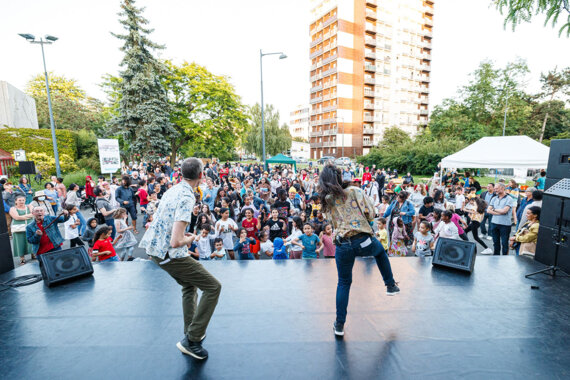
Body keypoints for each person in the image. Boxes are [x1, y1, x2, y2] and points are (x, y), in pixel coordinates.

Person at [139, 157, 221, 360]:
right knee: (213, 287)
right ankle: (192, 339)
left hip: (156, 250)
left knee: (189, 285)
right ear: (201, 175)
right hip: (169, 253)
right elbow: (176, 241)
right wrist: (191, 237)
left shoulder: (173, 189)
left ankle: (190, 332)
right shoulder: (187, 197)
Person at [318, 164, 399, 338]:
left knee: (344, 283)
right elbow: (371, 213)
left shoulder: (327, 199)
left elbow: (329, 220)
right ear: (340, 176)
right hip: (363, 241)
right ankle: (390, 285)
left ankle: (339, 325)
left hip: (343, 245)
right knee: (380, 252)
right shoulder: (355, 191)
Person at [487, 183, 515, 256]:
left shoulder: (509, 199)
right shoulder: (494, 198)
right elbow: (488, 210)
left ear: (502, 188)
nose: (494, 190)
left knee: (504, 243)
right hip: (494, 223)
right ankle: (496, 257)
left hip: (505, 225)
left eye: (496, 188)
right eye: (495, 188)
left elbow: (504, 211)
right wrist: (498, 212)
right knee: (495, 242)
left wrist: (494, 209)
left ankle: (504, 259)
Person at [10, 195, 34, 264]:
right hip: (18, 228)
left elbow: (33, 214)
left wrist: (21, 217)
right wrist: (28, 216)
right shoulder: (13, 208)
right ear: (16, 201)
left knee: (31, 240)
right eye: (19, 200)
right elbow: (16, 218)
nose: (21, 202)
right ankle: (22, 258)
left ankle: (33, 254)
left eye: (23, 200)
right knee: (19, 242)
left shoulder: (29, 206)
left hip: (30, 226)